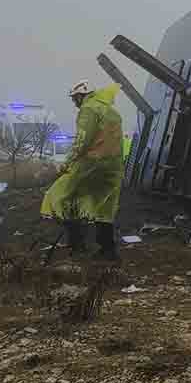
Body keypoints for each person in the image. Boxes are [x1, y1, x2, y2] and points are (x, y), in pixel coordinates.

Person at [41, 80, 124, 262]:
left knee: (61, 197)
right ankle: (107, 250)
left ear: (81, 96)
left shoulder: (89, 109)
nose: (74, 103)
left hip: (91, 163)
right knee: (105, 207)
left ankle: (77, 246)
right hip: (114, 166)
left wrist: (66, 165)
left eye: (74, 99)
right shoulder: (112, 112)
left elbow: (81, 141)